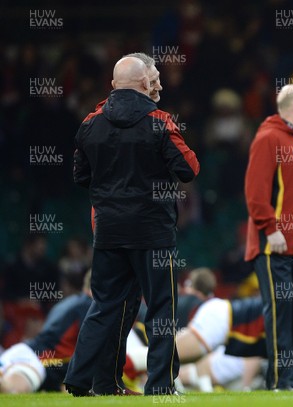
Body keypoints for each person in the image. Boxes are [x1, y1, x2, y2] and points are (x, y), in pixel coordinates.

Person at [63, 56, 199, 396]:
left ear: (113, 85)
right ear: (144, 84)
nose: (159, 85)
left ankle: (84, 381)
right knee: (160, 309)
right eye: (155, 79)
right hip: (152, 231)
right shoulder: (159, 120)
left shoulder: (91, 122)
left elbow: (80, 177)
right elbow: (188, 168)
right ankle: (160, 385)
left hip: (108, 231)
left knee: (105, 306)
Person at [244, 84, 293, 390]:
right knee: (280, 313)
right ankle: (277, 384)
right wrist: (271, 229)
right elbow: (255, 192)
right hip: (274, 246)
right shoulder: (268, 137)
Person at [0, 271, 93, 394]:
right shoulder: (89, 306)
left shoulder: (69, 303)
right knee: (11, 390)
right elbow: (91, 349)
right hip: (32, 360)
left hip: (23, 353)